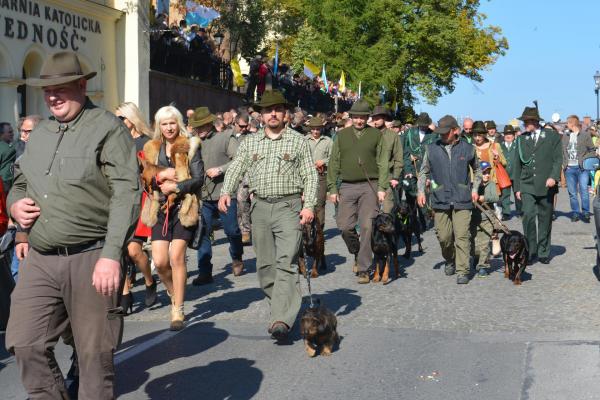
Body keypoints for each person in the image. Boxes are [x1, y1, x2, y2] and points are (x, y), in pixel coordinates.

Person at [6, 51, 141, 399]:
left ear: (82, 86)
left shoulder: (108, 129)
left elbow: (126, 195)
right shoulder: (41, 133)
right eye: (47, 90)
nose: (52, 96)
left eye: (61, 88)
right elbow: (22, 182)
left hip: (92, 257)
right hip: (41, 258)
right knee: (24, 342)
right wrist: (14, 208)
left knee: (95, 361)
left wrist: (112, 255)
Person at [219, 90, 317, 341]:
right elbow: (236, 167)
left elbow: (310, 175)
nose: (272, 113)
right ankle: (280, 308)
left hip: (289, 207)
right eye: (267, 110)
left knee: (286, 262)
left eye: (277, 109)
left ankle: (282, 318)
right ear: (260, 115)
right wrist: (226, 191)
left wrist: (309, 206)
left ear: (285, 114)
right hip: (260, 208)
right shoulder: (250, 142)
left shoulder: (299, 141)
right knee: (264, 267)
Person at [143, 105, 203, 330]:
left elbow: (198, 179)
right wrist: (160, 177)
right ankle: (172, 290)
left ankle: (178, 308)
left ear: (178, 123)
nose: (169, 127)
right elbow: (145, 178)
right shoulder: (151, 147)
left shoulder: (191, 144)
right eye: (164, 123)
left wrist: (176, 186)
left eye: (172, 122)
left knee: (176, 256)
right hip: (159, 208)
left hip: (184, 207)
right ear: (158, 126)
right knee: (159, 262)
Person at [327, 99, 388, 284]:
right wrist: (332, 188)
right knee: (344, 226)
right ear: (351, 117)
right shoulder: (341, 135)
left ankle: (363, 268)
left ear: (367, 118)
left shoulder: (376, 135)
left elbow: (383, 161)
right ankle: (357, 251)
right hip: (347, 185)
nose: (360, 121)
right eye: (356, 117)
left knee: (368, 226)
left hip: (370, 186)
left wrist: (382, 187)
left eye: (363, 117)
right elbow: (334, 162)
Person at [417, 115, 481, 284]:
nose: (442, 135)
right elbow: (423, 171)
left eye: (446, 132)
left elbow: (478, 170)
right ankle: (450, 259)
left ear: (456, 131)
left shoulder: (468, 148)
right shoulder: (431, 148)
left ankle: (462, 270)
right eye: (440, 132)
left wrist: (474, 189)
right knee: (444, 237)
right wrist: (421, 192)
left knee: (462, 235)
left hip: (462, 197)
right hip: (440, 197)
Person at [190, 106, 244, 285]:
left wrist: (220, 169)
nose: (201, 130)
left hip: (225, 193)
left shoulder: (225, 138)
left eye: (204, 126)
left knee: (232, 230)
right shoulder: (192, 143)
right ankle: (205, 271)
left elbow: (239, 160)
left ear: (210, 124)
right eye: (197, 127)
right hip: (203, 196)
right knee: (203, 232)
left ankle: (237, 256)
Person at [115, 102, 158, 312]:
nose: (118, 123)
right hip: (118, 202)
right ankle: (125, 294)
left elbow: (154, 173)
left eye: (120, 118)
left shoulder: (146, 143)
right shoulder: (114, 143)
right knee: (118, 251)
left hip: (141, 200)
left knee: (133, 251)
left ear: (131, 119)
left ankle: (149, 281)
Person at [513, 106, 563, 264]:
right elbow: (516, 165)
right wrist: (517, 188)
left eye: (527, 121)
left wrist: (553, 177)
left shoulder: (551, 136)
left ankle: (543, 251)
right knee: (527, 216)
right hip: (527, 184)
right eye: (524, 121)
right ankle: (530, 250)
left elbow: (558, 159)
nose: (525, 124)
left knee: (545, 218)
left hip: (546, 184)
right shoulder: (521, 139)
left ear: (535, 121)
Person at [403, 112, 437, 230]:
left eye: (425, 125)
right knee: (410, 194)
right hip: (411, 169)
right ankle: (412, 221)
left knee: (424, 195)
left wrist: (430, 176)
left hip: (425, 171)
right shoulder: (409, 133)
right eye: (421, 124)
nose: (423, 126)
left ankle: (425, 220)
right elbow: (404, 151)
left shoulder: (434, 135)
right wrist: (407, 167)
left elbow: (435, 156)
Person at [306, 116, 332, 266]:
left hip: (321, 176)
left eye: (318, 129)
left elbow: (334, 157)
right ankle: (307, 229)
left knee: (320, 205)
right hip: (306, 176)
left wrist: (324, 161)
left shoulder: (328, 141)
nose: (315, 131)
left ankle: (319, 230)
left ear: (321, 129)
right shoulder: (304, 140)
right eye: (313, 129)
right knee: (307, 204)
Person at [562, 115, 596, 223]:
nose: (566, 125)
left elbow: (592, 150)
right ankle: (575, 213)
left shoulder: (585, 135)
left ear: (572, 123)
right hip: (569, 169)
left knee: (583, 190)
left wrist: (584, 159)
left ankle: (585, 212)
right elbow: (562, 151)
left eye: (567, 123)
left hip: (582, 168)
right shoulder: (565, 136)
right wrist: (564, 164)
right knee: (572, 192)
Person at [371, 105, 404, 213]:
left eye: (378, 118)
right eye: (373, 118)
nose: (375, 121)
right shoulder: (367, 135)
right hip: (370, 177)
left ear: (384, 118)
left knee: (387, 211)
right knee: (370, 212)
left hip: (387, 177)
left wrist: (395, 177)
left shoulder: (393, 136)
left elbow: (399, 158)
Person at [470, 161, 500, 277]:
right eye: (484, 173)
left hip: (487, 218)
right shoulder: (473, 186)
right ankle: (477, 259)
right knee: (475, 244)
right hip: (474, 219)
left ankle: (483, 266)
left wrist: (484, 198)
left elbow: (496, 197)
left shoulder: (491, 185)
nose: (486, 175)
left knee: (485, 243)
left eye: (488, 172)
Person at [233, 113, 253, 244]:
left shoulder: (251, 138)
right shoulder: (228, 136)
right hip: (229, 174)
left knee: (242, 201)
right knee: (234, 206)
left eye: (246, 126)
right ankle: (238, 229)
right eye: (241, 126)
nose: (244, 128)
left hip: (245, 175)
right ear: (235, 124)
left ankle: (245, 230)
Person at [500, 125, 522, 220]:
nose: (508, 136)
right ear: (504, 135)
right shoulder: (500, 146)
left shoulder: (518, 145)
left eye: (510, 134)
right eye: (506, 134)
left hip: (516, 173)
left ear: (514, 135)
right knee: (505, 194)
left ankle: (520, 211)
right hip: (504, 174)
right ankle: (506, 212)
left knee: (518, 193)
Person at [0, 122, 16, 190]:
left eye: (12, 131)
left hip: (13, 179)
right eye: (10, 132)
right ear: (1, 134)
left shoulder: (12, 144)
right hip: (4, 182)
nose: (12, 134)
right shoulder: (2, 147)